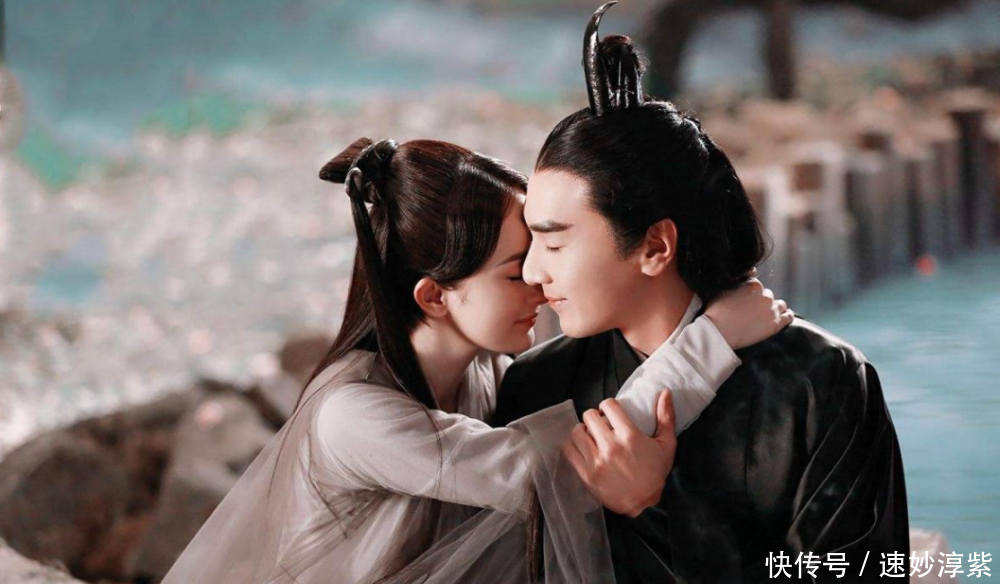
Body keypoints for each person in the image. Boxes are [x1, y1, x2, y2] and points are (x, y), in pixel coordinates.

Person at [160, 136, 792, 583]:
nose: (539, 280)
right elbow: (555, 470)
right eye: (516, 271)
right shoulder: (352, 415)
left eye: (545, 253)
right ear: (435, 297)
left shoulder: (483, 368)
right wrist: (709, 342)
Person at [493, 4, 909, 583]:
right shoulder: (537, 386)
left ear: (655, 247)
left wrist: (652, 507)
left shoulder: (824, 381)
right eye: (531, 242)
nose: (534, 272)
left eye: (555, 244)